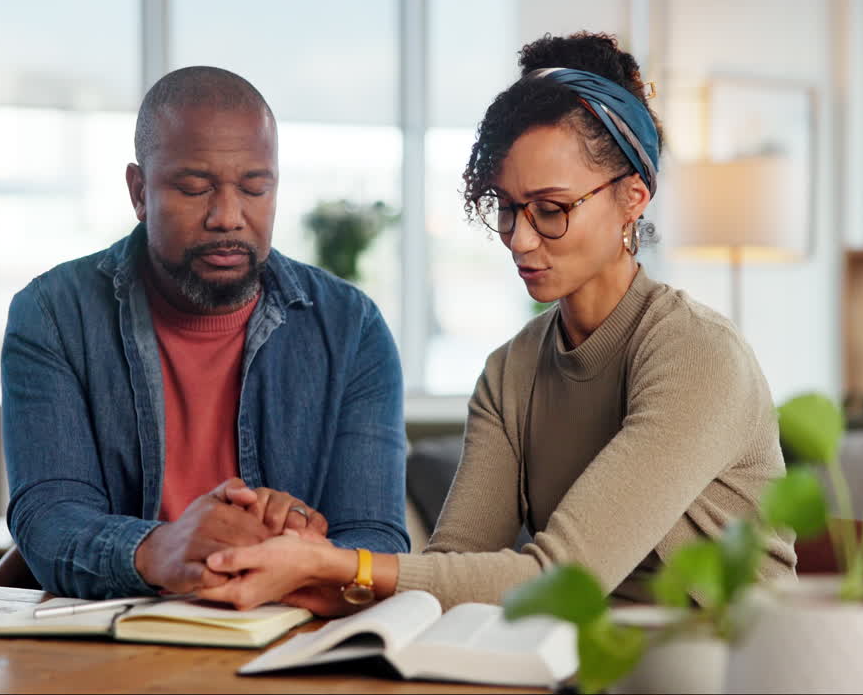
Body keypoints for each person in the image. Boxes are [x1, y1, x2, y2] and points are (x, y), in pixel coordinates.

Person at [193, 32, 797, 615]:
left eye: (551, 209)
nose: (519, 239)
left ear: (633, 197)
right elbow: (454, 567)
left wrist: (345, 566)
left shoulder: (696, 353)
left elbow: (562, 577)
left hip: (727, 660)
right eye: (505, 208)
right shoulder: (511, 371)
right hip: (578, 657)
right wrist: (329, 578)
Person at [1, 66, 409, 600]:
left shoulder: (351, 329)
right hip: (110, 632)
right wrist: (161, 548)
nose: (228, 217)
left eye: (255, 188)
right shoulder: (53, 314)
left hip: (285, 634)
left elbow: (376, 539)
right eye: (195, 188)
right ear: (139, 191)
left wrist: (301, 551)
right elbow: (49, 517)